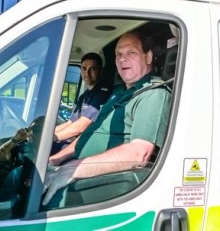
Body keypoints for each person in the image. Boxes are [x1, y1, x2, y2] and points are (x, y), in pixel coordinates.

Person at [42, 31, 172, 207]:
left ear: (148, 57)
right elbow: (92, 131)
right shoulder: (119, 93)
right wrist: (57, 158)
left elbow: (139, 152)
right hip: (78, 170)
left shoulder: (153, 94)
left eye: (131, 53)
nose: (122, 59)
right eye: (118, 54)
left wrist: (72, 169)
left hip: (107, 185)